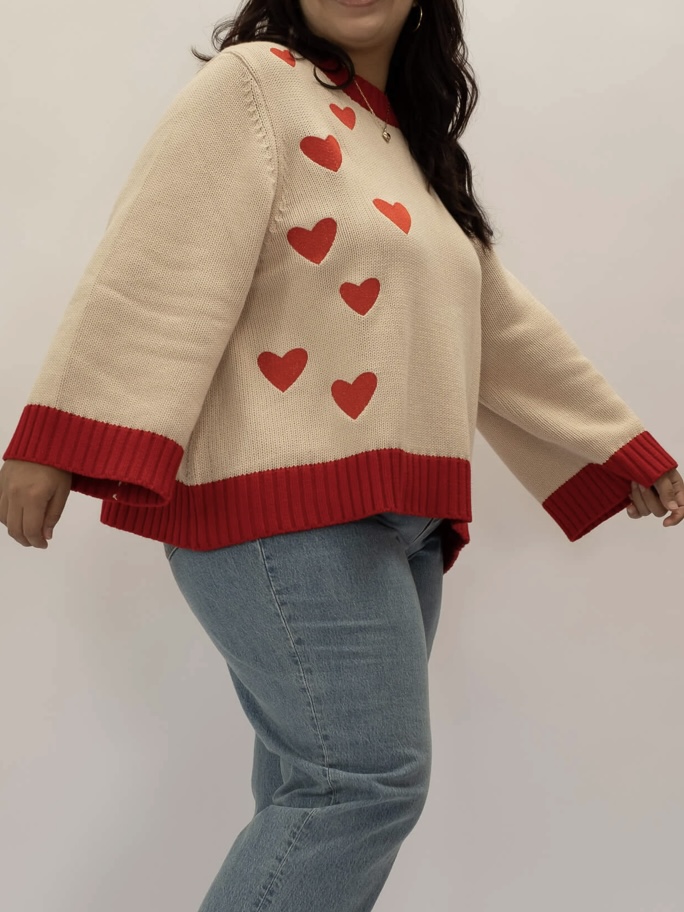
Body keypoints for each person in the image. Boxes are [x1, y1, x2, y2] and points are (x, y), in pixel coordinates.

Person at [1, 1, 681, 909]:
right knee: (359, 785)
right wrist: (58, 434)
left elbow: (497, 320)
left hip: (402, 522)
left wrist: (613, 447)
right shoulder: (253, 88)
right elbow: (158, 258)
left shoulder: (406, 140)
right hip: (278, 504)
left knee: (310, 790)